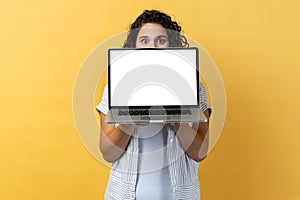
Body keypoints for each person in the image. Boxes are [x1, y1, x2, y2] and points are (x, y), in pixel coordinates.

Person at [96, 9, 212, 200]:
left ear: (171, 45)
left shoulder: (195, 89)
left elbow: (200, 152)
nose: (152, 46)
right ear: (134, 45)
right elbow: (108, 153)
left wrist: (176, 119)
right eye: (144, 41)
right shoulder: (114, 89)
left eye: (160, 40)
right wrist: (130, 117)